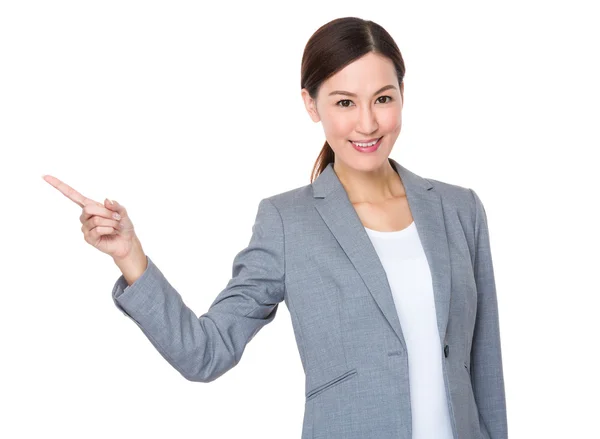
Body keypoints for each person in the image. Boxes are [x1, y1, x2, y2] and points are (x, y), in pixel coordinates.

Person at [43, 16, 507, 439]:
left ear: (402, 94)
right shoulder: (288, 222)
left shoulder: (458, 209)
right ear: (311, 105)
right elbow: (206, 352)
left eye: (383, 99)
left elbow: (485, 373)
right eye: (344, 102)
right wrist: (130, 256)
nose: (367, 123)